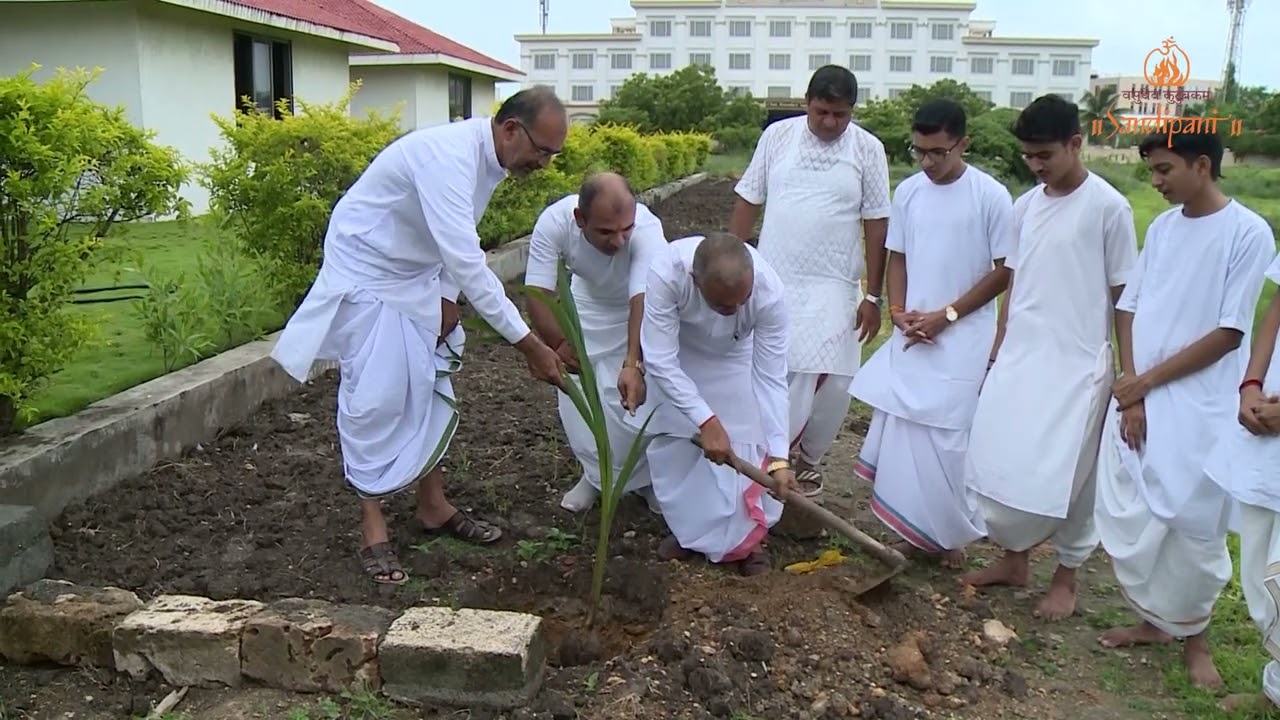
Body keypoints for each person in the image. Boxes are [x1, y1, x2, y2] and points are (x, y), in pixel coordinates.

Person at [270, 86, 569, 585]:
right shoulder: (448, 158)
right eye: (543, 151)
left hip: (414, 273)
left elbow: (457, 242)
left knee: (429, 384)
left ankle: (433, 506)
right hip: (368, 268)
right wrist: (530, 345)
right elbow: (471, 263)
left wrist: (446, 295)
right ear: (513, 129)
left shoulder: (489, 159)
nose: (544, 163)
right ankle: (373, 526)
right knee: (374, 397)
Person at [1094, 131, 1277, 688]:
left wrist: (1145, 383)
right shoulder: (1165, 228)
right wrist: (1132, 385)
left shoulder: (1248, 231)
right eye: (1151, 171)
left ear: (1203, 165)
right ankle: (1154, 622)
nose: (1156, 181)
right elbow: (1130, 305)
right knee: (1142, 510)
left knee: (1194, 524)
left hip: (1201, 401)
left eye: (1164, 170)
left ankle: (1196, 639)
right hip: (1143, 394)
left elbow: (1229, 332)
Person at [960, 95, 1139, 621]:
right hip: (1022, 356)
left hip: (1079, 364)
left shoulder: (1110, 208)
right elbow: (1014, 284)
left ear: (1075, 144)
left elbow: (1125, 297)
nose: (1036, 166)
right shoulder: (1025, 206)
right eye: (1029, 157)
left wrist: (1130, 376)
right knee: (1005, 458)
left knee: (1073, 474)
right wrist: (999, 344)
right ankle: (1014, 560)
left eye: (1045, 155)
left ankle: (1067, 577)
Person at [848, 99, 1013, 569]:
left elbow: (1005, 271)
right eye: (919, 151)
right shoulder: (910, 193)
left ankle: (948, 535)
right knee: (906, 433)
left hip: (963, 336)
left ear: (963, 143)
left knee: (949, 439)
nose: (927, 162)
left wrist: (950, 315)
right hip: (914, 332)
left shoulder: (991, 196)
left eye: (938, 152)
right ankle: (913, 532)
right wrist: (898, 310)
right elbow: (896, 254)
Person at [728, 65, 891, 498]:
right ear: (807, 103)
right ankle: (771, 460)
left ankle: (808, 460)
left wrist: (873, 294)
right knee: (787, 371)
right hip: (777, 276)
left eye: (841, 115)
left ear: (853, 111)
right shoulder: (778, 137)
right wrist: (727, 263)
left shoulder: (869, 150)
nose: (831, 123)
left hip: (836, 283)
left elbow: (877, 224)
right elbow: (749, 199)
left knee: (838, 380)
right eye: (822, 112)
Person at [631, 231, 799, 576]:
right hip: (681, 356)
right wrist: (705, 420)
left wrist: (780, 456)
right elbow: (661, 357)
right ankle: (690, 534)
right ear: (695, 281)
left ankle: (748, 544)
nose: (736, 310)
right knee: (680, 449)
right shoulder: (667, 271)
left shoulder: (769, 294)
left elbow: (770, 378)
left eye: (743, 300)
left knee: (746, 443)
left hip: (737, 357)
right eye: (724, 305)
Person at [524, 172, 665, 514]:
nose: (619, 240)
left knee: (636, 400)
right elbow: (538, 292)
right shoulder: (555, 222)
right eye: (605, 231)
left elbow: (642, 296)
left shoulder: (647, 230)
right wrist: (559, 343)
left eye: (625, 230)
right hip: (585, 307)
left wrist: (633, 362)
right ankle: (594, 476)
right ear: (580, 219)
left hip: (638, 312)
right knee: (580, 398)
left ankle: (645, 481)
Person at [1204, 252, 1280, 714]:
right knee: (1260, 567)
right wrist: (1250, 384)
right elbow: (1277, 307)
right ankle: (1277, 691)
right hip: (1268, 420)